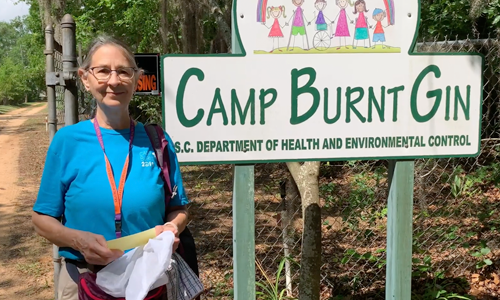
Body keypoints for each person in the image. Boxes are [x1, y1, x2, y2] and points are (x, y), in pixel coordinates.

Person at [31, 35, 190, 300]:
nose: (113, 81)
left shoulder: (158, 141)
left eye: (124, 72)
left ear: (137, 80)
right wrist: (78, 241)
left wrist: (173, 228)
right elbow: (41, 220)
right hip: (83, 279)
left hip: (149, 281)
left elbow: (178, 209)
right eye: (103, 71)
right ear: (85, 78)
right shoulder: (67, 142)